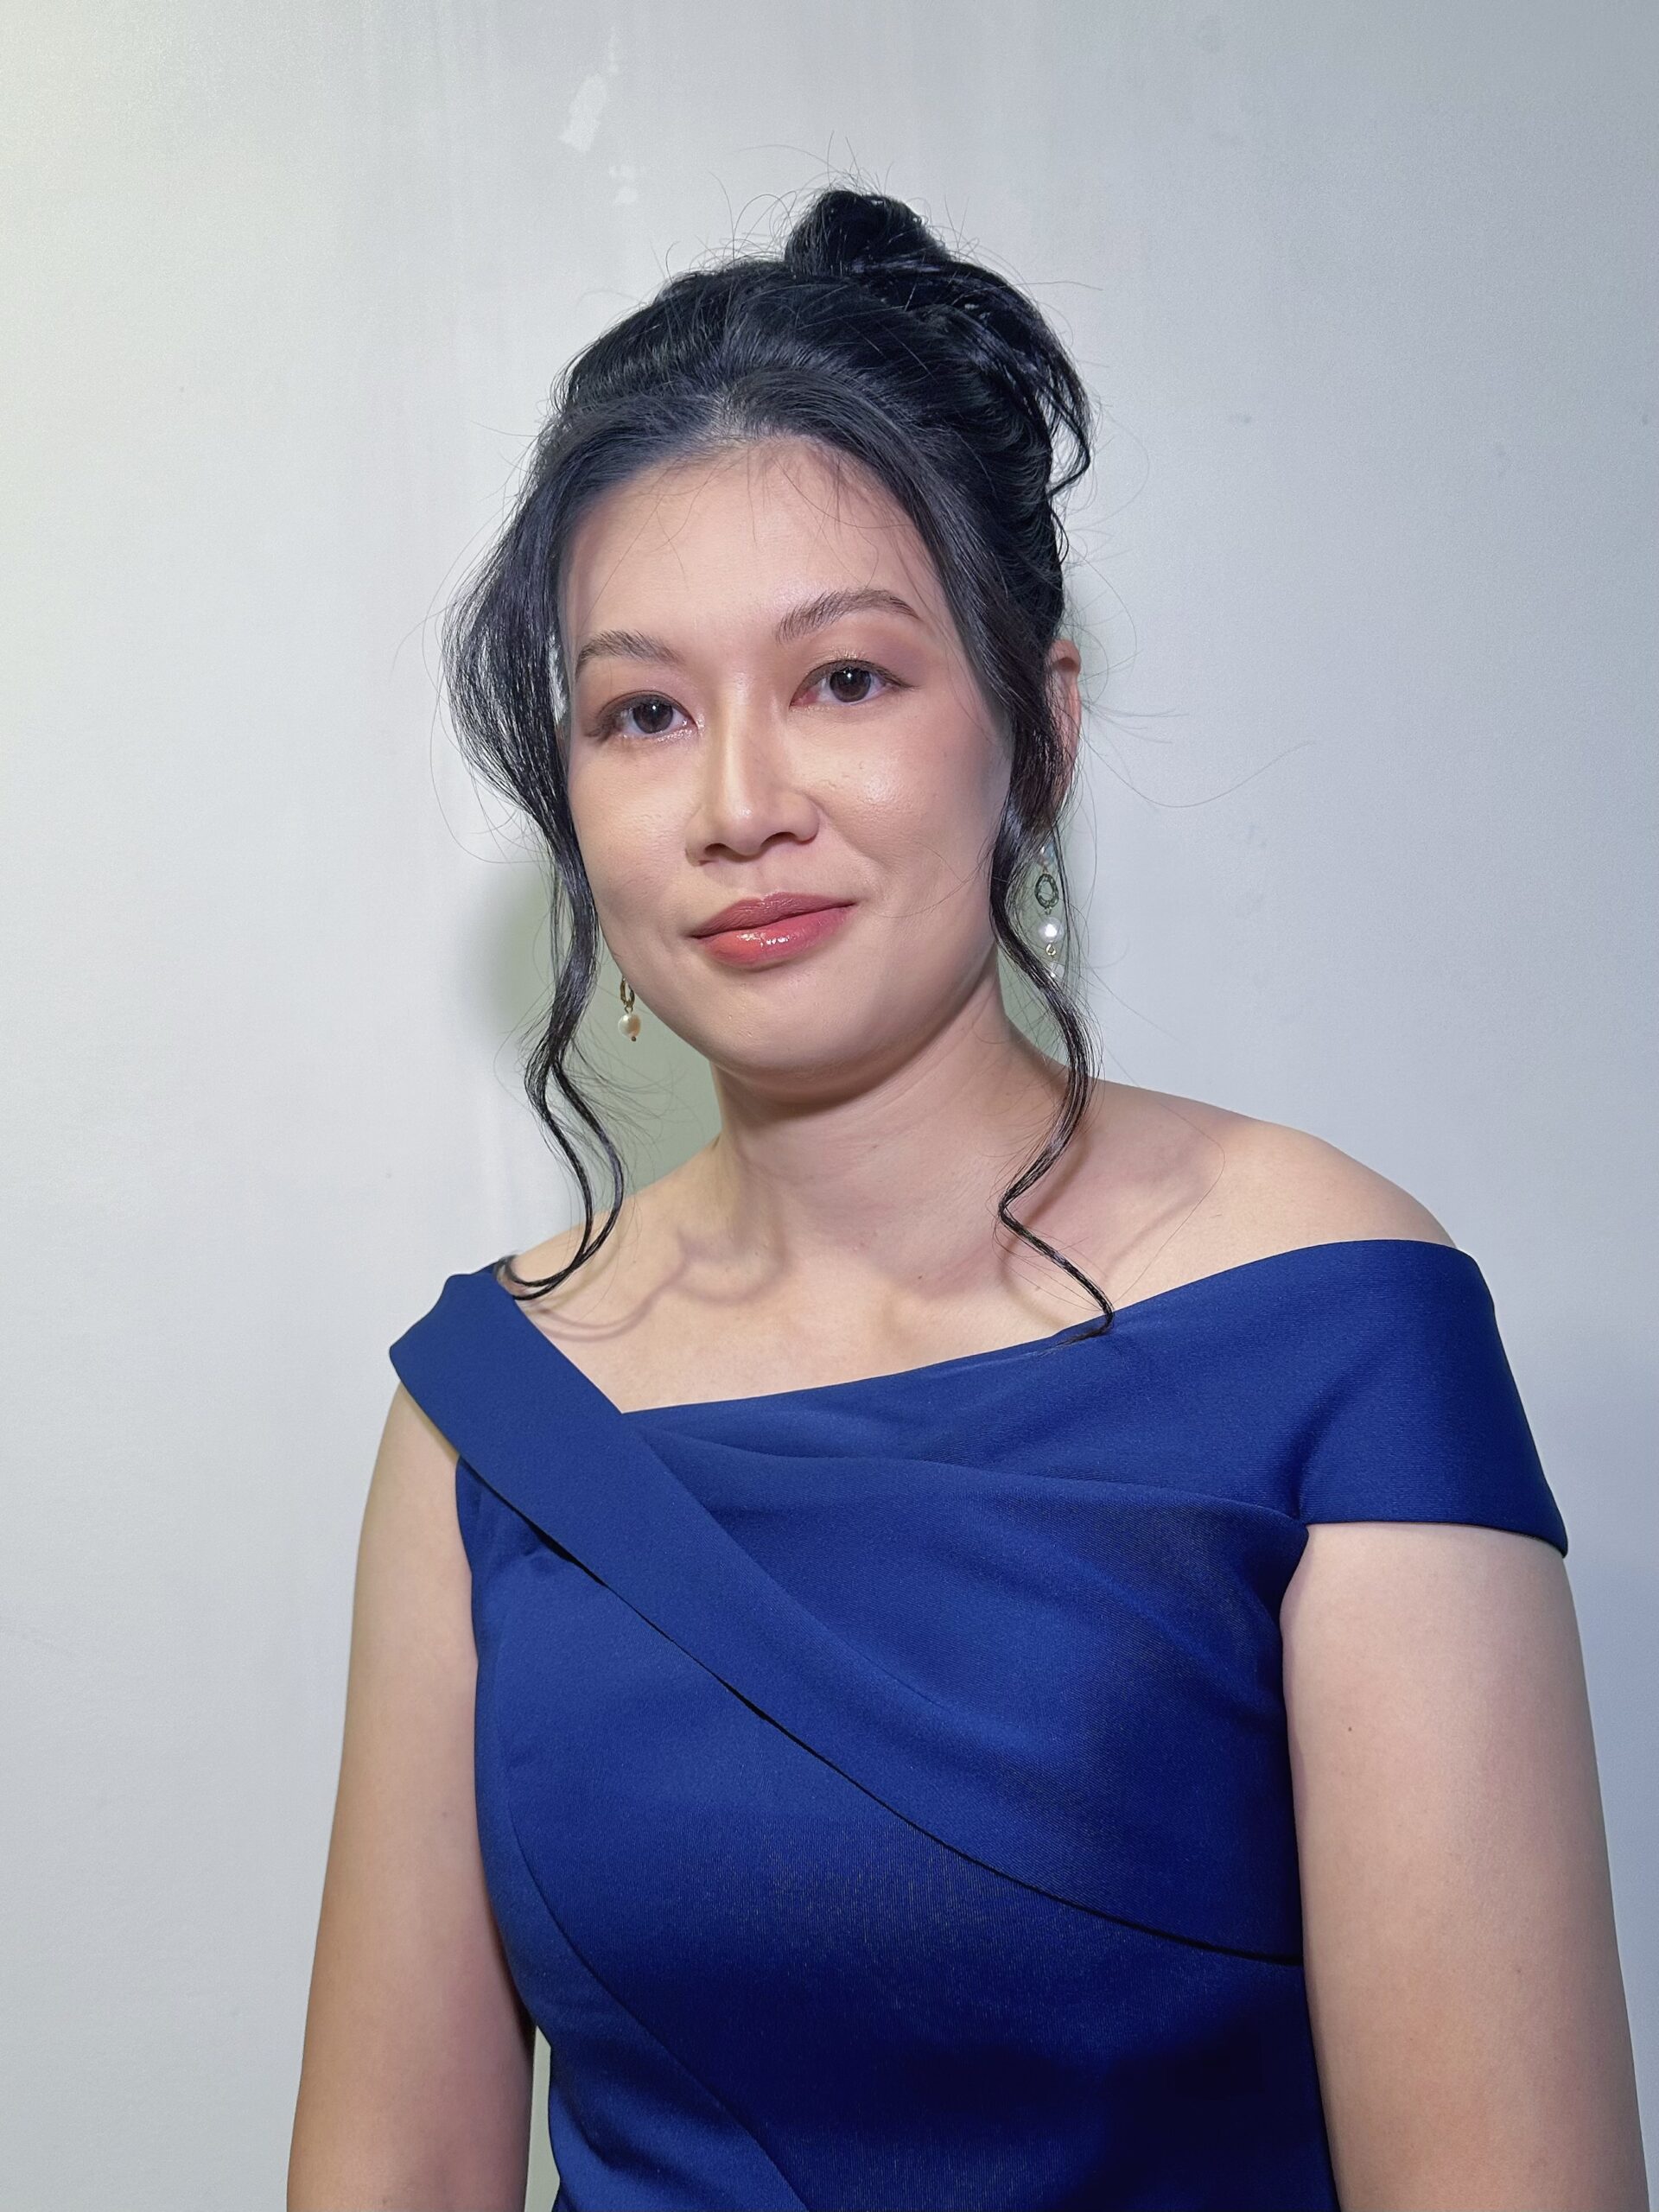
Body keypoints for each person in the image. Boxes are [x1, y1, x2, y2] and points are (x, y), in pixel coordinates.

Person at [288, 187, 1647, 2212]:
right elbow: (387, 2166)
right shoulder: (488, 1411)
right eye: (644, 711)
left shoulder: (1341, 1323)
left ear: (1040, 728)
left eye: (845, 678)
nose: (741, 801)